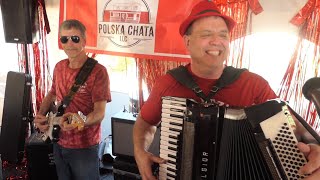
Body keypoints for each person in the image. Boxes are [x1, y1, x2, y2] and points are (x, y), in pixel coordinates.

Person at [133, 1, 320, 180]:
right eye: (206, 34)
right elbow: (145, 122)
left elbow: (293, 127)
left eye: (223, 35)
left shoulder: (254, 84)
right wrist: (140, 151)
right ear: (187, 42)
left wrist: (313, 147)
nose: (217, 41)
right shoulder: (169, 83)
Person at [34, 19, 111, 180]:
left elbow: (99, 113)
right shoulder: (59, 67)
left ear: (84, 40)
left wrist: (78, 120)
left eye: (75, 38)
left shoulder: (98, 72)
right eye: (64, 39)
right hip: (58, 140)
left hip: (84, 146)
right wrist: (40, 116)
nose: (69, 43)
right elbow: (52, 94)